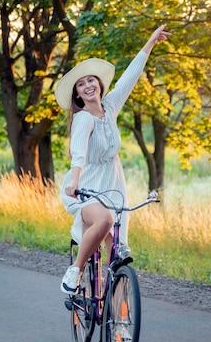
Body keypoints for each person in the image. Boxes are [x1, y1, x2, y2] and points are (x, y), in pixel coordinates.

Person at [55, 24, 171, 294]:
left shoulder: (110, 107)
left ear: (99, 84)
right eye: (81, 84)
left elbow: (130, 77)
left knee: (117, 259)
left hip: (114, 187)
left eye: (90, 80)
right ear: (77, 95)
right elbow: (79, 155)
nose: (87, 86)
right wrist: (74, 182)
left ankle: (118, 325)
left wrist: (150, 42)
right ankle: (75, 271)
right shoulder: (83, 118)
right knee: (105, 220)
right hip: (85, 188)